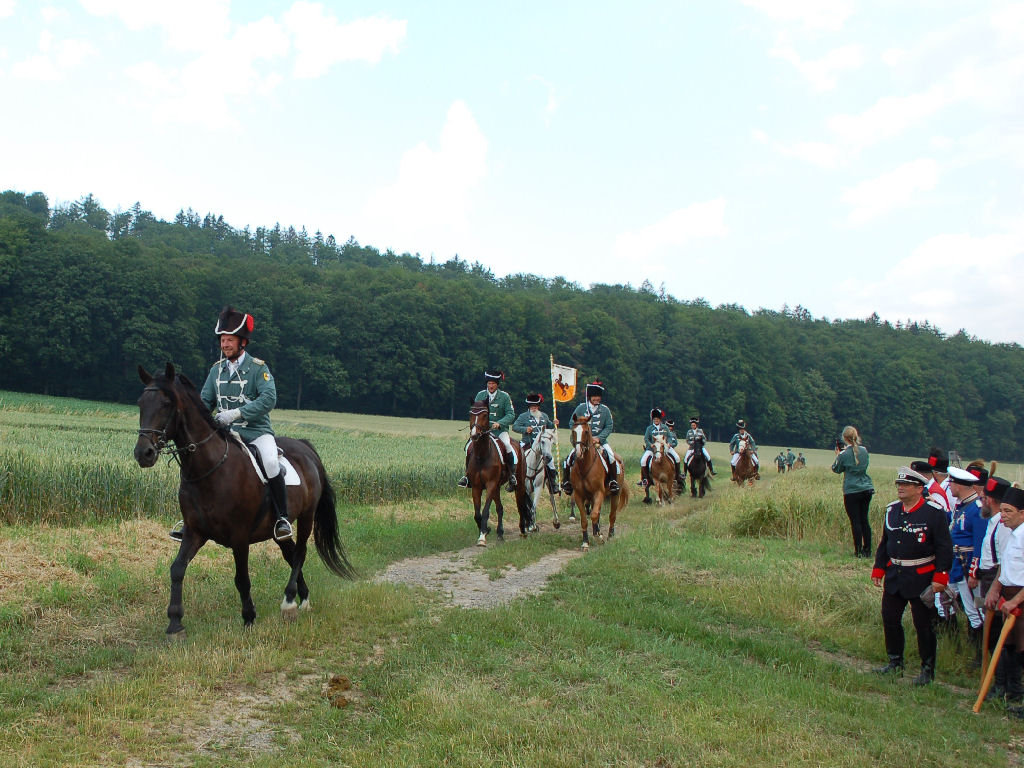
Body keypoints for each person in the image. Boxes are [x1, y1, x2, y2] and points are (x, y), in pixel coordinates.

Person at [170, 305, 292, 542]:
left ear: (242, 342)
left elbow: (269, 399)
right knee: (198, 463)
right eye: (222, 340)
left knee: (270, 462)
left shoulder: (258, 368)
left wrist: (236, 413)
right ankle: (192, 521)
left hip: (256, 432)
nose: (225, 345)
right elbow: (205, 402)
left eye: (229, 340)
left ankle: (281, 518)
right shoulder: (216, 371)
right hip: (225, 434)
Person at [871, 466, 953, 685]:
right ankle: (895, 662)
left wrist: (941, 575)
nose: (901, 488)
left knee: (923, 625)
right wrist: (879, 567)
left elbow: (944, 547)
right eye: (899, 484)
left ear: (919, 489)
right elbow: (885, 542)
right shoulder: (892, 510)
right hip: (895, 575)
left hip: (921, 576)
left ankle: (927, 670)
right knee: (890, 618)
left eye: (906, 485)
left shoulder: (933, 513)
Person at [973, 476, 1019, 704]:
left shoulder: (1005, 527)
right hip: (992, 579)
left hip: (1001, 582)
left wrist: (994, 588)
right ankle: (1001, 685)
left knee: (1003, 639)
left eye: (983, 497)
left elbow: (1003, 563)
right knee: (997, 637)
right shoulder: (996, 522)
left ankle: (1004, 687)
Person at [983, 486, 1024, 718]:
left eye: (1009, 511)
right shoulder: (1011, 533)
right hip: (1009, 594)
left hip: (1020, 597)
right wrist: (995, 589)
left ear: (1022, 513)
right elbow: (1005, 566)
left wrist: (1015, 600)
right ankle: (1011, 691)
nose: (1003, 515)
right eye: (1003, 510)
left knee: (1023, 649)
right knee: (1009, 646)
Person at [946, 466, 985, 665]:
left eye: (951, 482)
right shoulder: (962, 506)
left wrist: (973, 572)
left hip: (967, 565)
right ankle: (954, 646)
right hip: (956, 564)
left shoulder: (976, 509)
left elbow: (979, 544)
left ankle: (981, 656)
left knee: (975, 611)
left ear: (959, 485)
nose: (949, 486)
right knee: (945, 600)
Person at [458, 370, 518, 491]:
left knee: (507, 445)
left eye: (493, 384)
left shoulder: (504, 397)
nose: (491, 386)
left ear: (497, 385)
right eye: (489, 383)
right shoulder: (480, 395)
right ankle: (467, 475)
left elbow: (511, 414)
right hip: (482, 432)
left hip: (499, 431)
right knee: (469, 446)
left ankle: (512, 475)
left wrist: (499, 423)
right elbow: (475, 411)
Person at [561, 380, 619, 495]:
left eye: (598, 396)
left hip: (600, 442)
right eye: (594, 396)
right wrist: (580, 436)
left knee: (611, 457)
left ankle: (613, 481)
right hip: (583, 442)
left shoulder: (605, 410)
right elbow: (572, 423)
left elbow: (609, 426)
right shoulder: (581, 408)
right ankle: (566, 482)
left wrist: (599, 438)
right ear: (590, 397)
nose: (597, 398)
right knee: (568, 459)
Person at [831, 425, 874, 558]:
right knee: (864, 519)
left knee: (855, 521)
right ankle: (868, 550)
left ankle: (858, 551)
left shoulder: (844, 454)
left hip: (851, 490)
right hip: (866, 487)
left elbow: (836, 469)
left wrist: (838, 456)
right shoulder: (864, 450)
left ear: (844, 438)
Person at [512, 393, 558, 495]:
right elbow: (515, 427)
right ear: (529, 406)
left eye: (535, 406)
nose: (534, 408)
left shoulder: (544, 416)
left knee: (550, 460)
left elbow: (550, 426)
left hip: (542, 445)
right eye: (532, 406)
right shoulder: (523, 416)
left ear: (538, 406)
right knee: (516, 458)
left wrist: (554, 423)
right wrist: (525, 429)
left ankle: (553, 483)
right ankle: (513, 480)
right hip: (527, 443)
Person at [637, 408, 683, 502]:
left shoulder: (665, 427)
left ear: (660, 419)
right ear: (653, 419)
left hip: (665, 448)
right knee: (643, 461)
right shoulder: (649, 428)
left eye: (657, 419)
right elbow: (646, 439)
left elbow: (669, 437)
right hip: (652, 449)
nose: (656, 421)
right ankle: (644, 479)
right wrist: (650, 444)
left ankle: (677, 476)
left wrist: (669, 443)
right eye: (654, 419)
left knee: (677, 458)